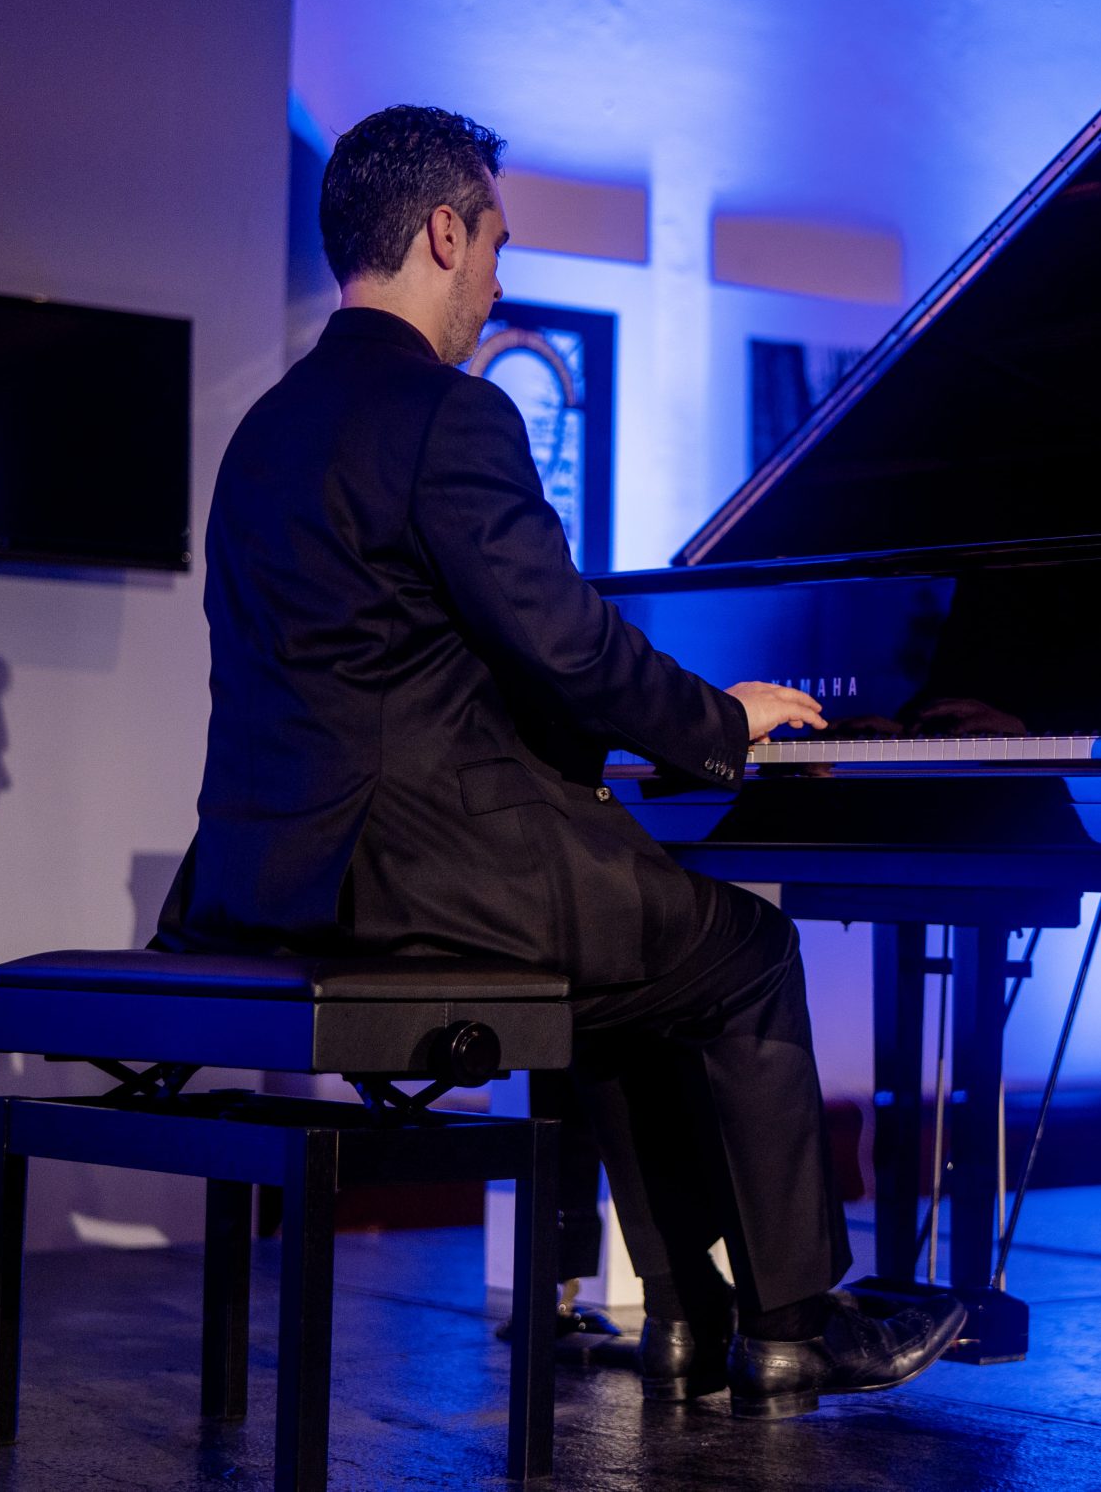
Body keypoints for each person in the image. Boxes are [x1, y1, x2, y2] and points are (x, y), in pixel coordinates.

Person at [158, 104, 963, 1418]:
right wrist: (722, 721)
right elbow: (569, 646)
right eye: (495, 244)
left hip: (270, 877)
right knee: (748, 951)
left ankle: (692, 1320)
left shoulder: (265, 431)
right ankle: (796, 1323)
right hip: (425, 881)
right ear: (442, 231)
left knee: (638, 963)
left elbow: (408, 662)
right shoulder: (449, 416)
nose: (497, 279)